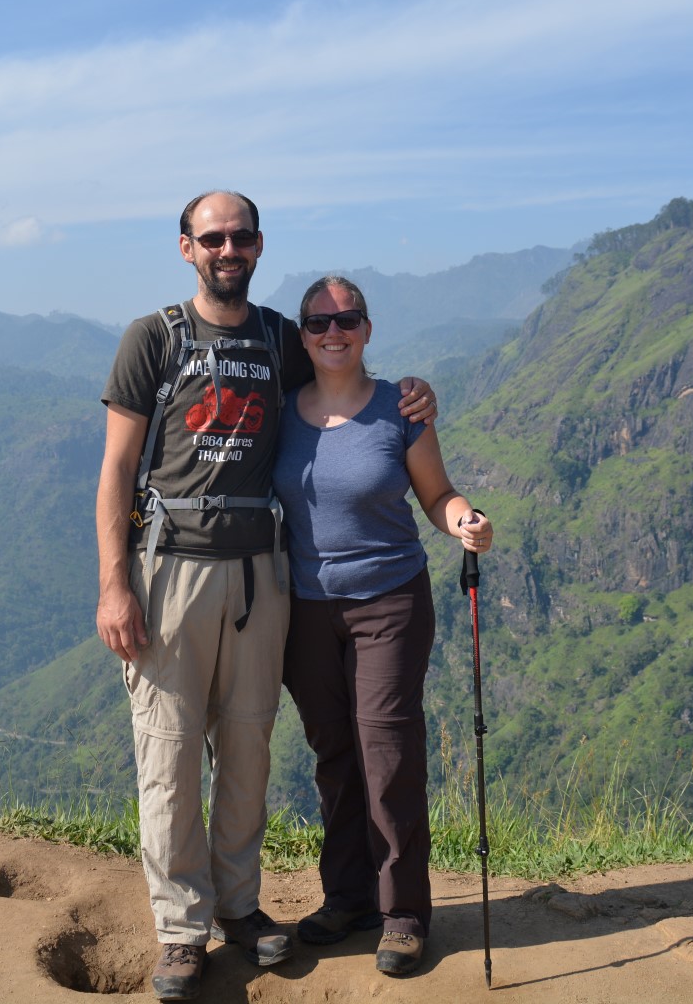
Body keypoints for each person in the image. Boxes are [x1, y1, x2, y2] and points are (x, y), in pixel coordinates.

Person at [95, 193, 437, 1001]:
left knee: (248, 747)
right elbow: (115, 468)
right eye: (211, 237)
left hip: (263, 572)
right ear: (187, 247)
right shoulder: (154, 338)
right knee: (170, 754)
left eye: (240, 235)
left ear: (256, 245)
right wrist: (114, 583)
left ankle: (241, 910)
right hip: (171, 565)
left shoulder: (281, 337)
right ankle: (182, 930)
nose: (227, 247)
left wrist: (414, 397)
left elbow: (342, 380)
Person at [274, 275, 493, 978]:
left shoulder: (402, 409)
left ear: (368, 330)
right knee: (334, 754)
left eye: (348, 320)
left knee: (387, 753)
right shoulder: (280, 413)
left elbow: (437, 493)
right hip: (304, 610)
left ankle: (403, 913)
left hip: (388, 604)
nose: (333, 333)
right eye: (318, 322)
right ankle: (348, 897)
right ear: (301, 336)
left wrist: (464, 522)